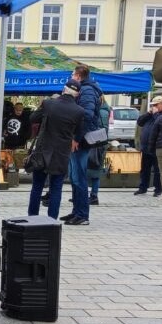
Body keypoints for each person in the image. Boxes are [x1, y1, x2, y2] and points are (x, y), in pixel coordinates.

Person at [27, 80, 84, 220]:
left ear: (63, 90)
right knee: (56, 188)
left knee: (37, 186)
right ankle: (52, 220)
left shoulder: (49, 104)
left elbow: (33, 118)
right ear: (77, 94)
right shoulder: (79, 111)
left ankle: (32, 218)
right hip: (62, 154)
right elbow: (79, 132)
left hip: (43, 151)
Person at [65, 65, 103, 223]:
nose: (71, 77)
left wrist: (76, 138)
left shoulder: (87, 90)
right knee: (75, 177)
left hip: (81, 140)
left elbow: (86, 115)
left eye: (72, 74)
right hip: (78, 138)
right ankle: (76, 211)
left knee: (79, 177)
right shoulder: (86, 89)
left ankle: (82, 215)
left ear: (78, 76)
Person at [134, 96, 162, 195]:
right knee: (145, 169)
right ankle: (143, 187)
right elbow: (140, 122)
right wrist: (148, 113)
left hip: (157, 147)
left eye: (156, 105)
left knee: (157, 170)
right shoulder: (150, 115)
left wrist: (155, 114)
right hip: (146, 146)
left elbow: (160, 123)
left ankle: (158, 189)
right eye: (152, 105)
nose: (154, 107)